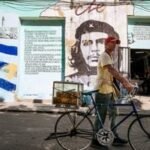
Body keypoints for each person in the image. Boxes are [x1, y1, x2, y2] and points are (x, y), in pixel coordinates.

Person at [92, 36, 134, 147]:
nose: (114, 45)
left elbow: (113, 74)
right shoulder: (104, 56)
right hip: (102, 90)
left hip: (110, 90)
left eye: (116, 43)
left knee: (114, 113)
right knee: (101, 116)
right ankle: (95, 140)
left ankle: (114, 137)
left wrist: (125, 82)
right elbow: (111, 70)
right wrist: (125, 82)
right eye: (112, 43)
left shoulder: (109, 56)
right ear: (106, 44)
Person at [65, 20, 121, 90]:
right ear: (79, 48)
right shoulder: (71, 81)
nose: (94, 49)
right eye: (87, 43)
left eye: (101, 42)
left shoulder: (119, 79)